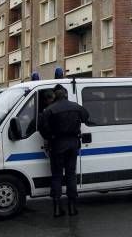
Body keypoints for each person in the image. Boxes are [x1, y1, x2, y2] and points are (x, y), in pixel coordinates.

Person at [40, 84, 89, 217]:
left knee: (56, 176)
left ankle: (57, 209)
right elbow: (86, 117)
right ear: (66, 94)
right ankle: (72, 208)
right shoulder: (76, 107)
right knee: (70, 175)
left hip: (57, 144)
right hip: (73, 144)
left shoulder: (49, 110)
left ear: (55, 95)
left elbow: (42, 129)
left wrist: (51, 137)